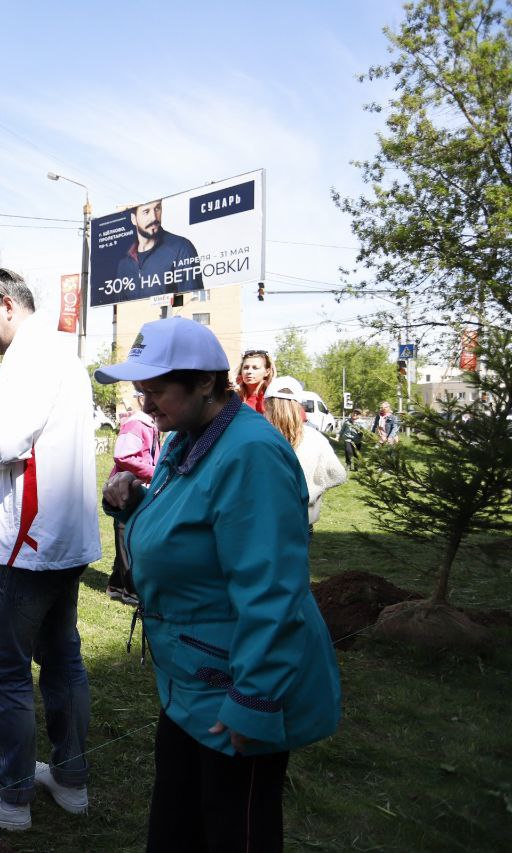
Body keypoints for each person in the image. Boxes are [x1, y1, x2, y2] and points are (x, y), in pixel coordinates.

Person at [97, 317, 341, 853]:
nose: (145, 402)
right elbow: (192, 529)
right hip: (189, 683)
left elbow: (273, 591)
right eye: (140, 389)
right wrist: (137, 505)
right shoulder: (187, 438)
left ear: (205, 382)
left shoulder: (249, 453)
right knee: (176, 830)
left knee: (234, 833)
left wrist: (253, 702)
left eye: (156, 388)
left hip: (235, 689)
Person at [0, 268, 101, 831]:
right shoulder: (59, 354)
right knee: (62, 658)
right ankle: (71, 780)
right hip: (66, 538)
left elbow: (2, 444)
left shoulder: (28, 357)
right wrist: (0, 404)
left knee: (4, 665)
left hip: (30, 543)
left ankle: (9, 797)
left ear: (6, 304)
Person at [264, 376, 348, 529]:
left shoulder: (258, 436)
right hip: (302, 519)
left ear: (266, 404)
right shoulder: (315, 437)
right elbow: (338, 474)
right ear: (299, 406)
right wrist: (312, 490)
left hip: (264, 518)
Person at [106, 390, 159, 605]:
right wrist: (154, 471)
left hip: (137, 488)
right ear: (140, 398)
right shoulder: (137, 423)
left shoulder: (149, 423)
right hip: (126, 489)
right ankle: (131, 589)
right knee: (126, 538)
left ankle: (117, 584)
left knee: (128, 537)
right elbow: (123, 455)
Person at [114, 199, 202, 295]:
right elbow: (122, 307)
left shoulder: (181, 248)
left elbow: (193, 300)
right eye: (146, 212)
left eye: (157, 208)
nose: (154, 217)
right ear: (134, 219)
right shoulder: (124, 264)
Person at [234, 348, 274, 414]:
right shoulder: (232, 395)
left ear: (267, 372)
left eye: (255, 368)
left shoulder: (272, 396)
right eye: (246, 367)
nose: (249, 371)